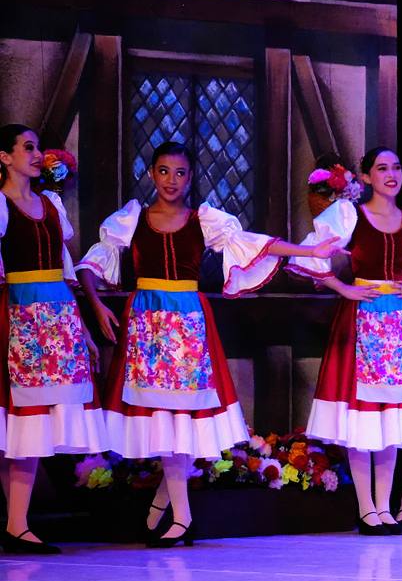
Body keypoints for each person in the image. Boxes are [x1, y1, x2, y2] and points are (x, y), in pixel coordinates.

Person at [77, 142, 341, 547]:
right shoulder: (132, 220)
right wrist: (95, 306)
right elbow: (95, 263)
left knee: (180, 421)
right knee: (161, 420)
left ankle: (176, 515)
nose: (171, 180)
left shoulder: (204, 221)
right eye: (164, 171)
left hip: (187, 327)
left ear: (190, 178)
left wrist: (308, 250)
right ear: (151, 174)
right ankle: (172, 513)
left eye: (180, 173)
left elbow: (256, 243)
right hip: (148, 324)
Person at [290, 147, 402, 535]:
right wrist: (341, 288)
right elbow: (308, 255)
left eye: (396, 167)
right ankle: (367, 508)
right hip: (364, 318)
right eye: (381, 168)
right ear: (365, 178)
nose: (391, 174)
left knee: (394, 417)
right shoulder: (350, 216)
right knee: (364, 419)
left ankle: (385, 505)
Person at [0, 124, 105, 554]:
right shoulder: (2, 206)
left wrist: (81, 329)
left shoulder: (49, 204)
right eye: (28, 147)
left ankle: (16, 524)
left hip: (57, 318)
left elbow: (64, 268)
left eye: (38, 147)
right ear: (4, 157)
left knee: (32, 425)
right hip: (20, 314)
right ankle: (17, 525)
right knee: (22, 421)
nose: (36, 153)